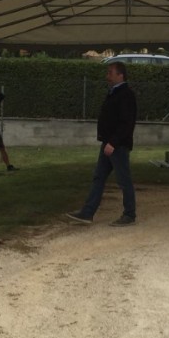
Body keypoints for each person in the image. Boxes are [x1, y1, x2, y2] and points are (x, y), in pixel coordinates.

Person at [66, 61, 138, 226]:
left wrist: (113, 142)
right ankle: (87, 213)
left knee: (123, 180)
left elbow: (126, 123)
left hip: (117, 145)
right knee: (99, 177)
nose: (107, 76)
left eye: (110, 73)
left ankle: (129, 214)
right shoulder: (114, 93)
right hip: (108, 143)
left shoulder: (125, 95)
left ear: (120, 75)